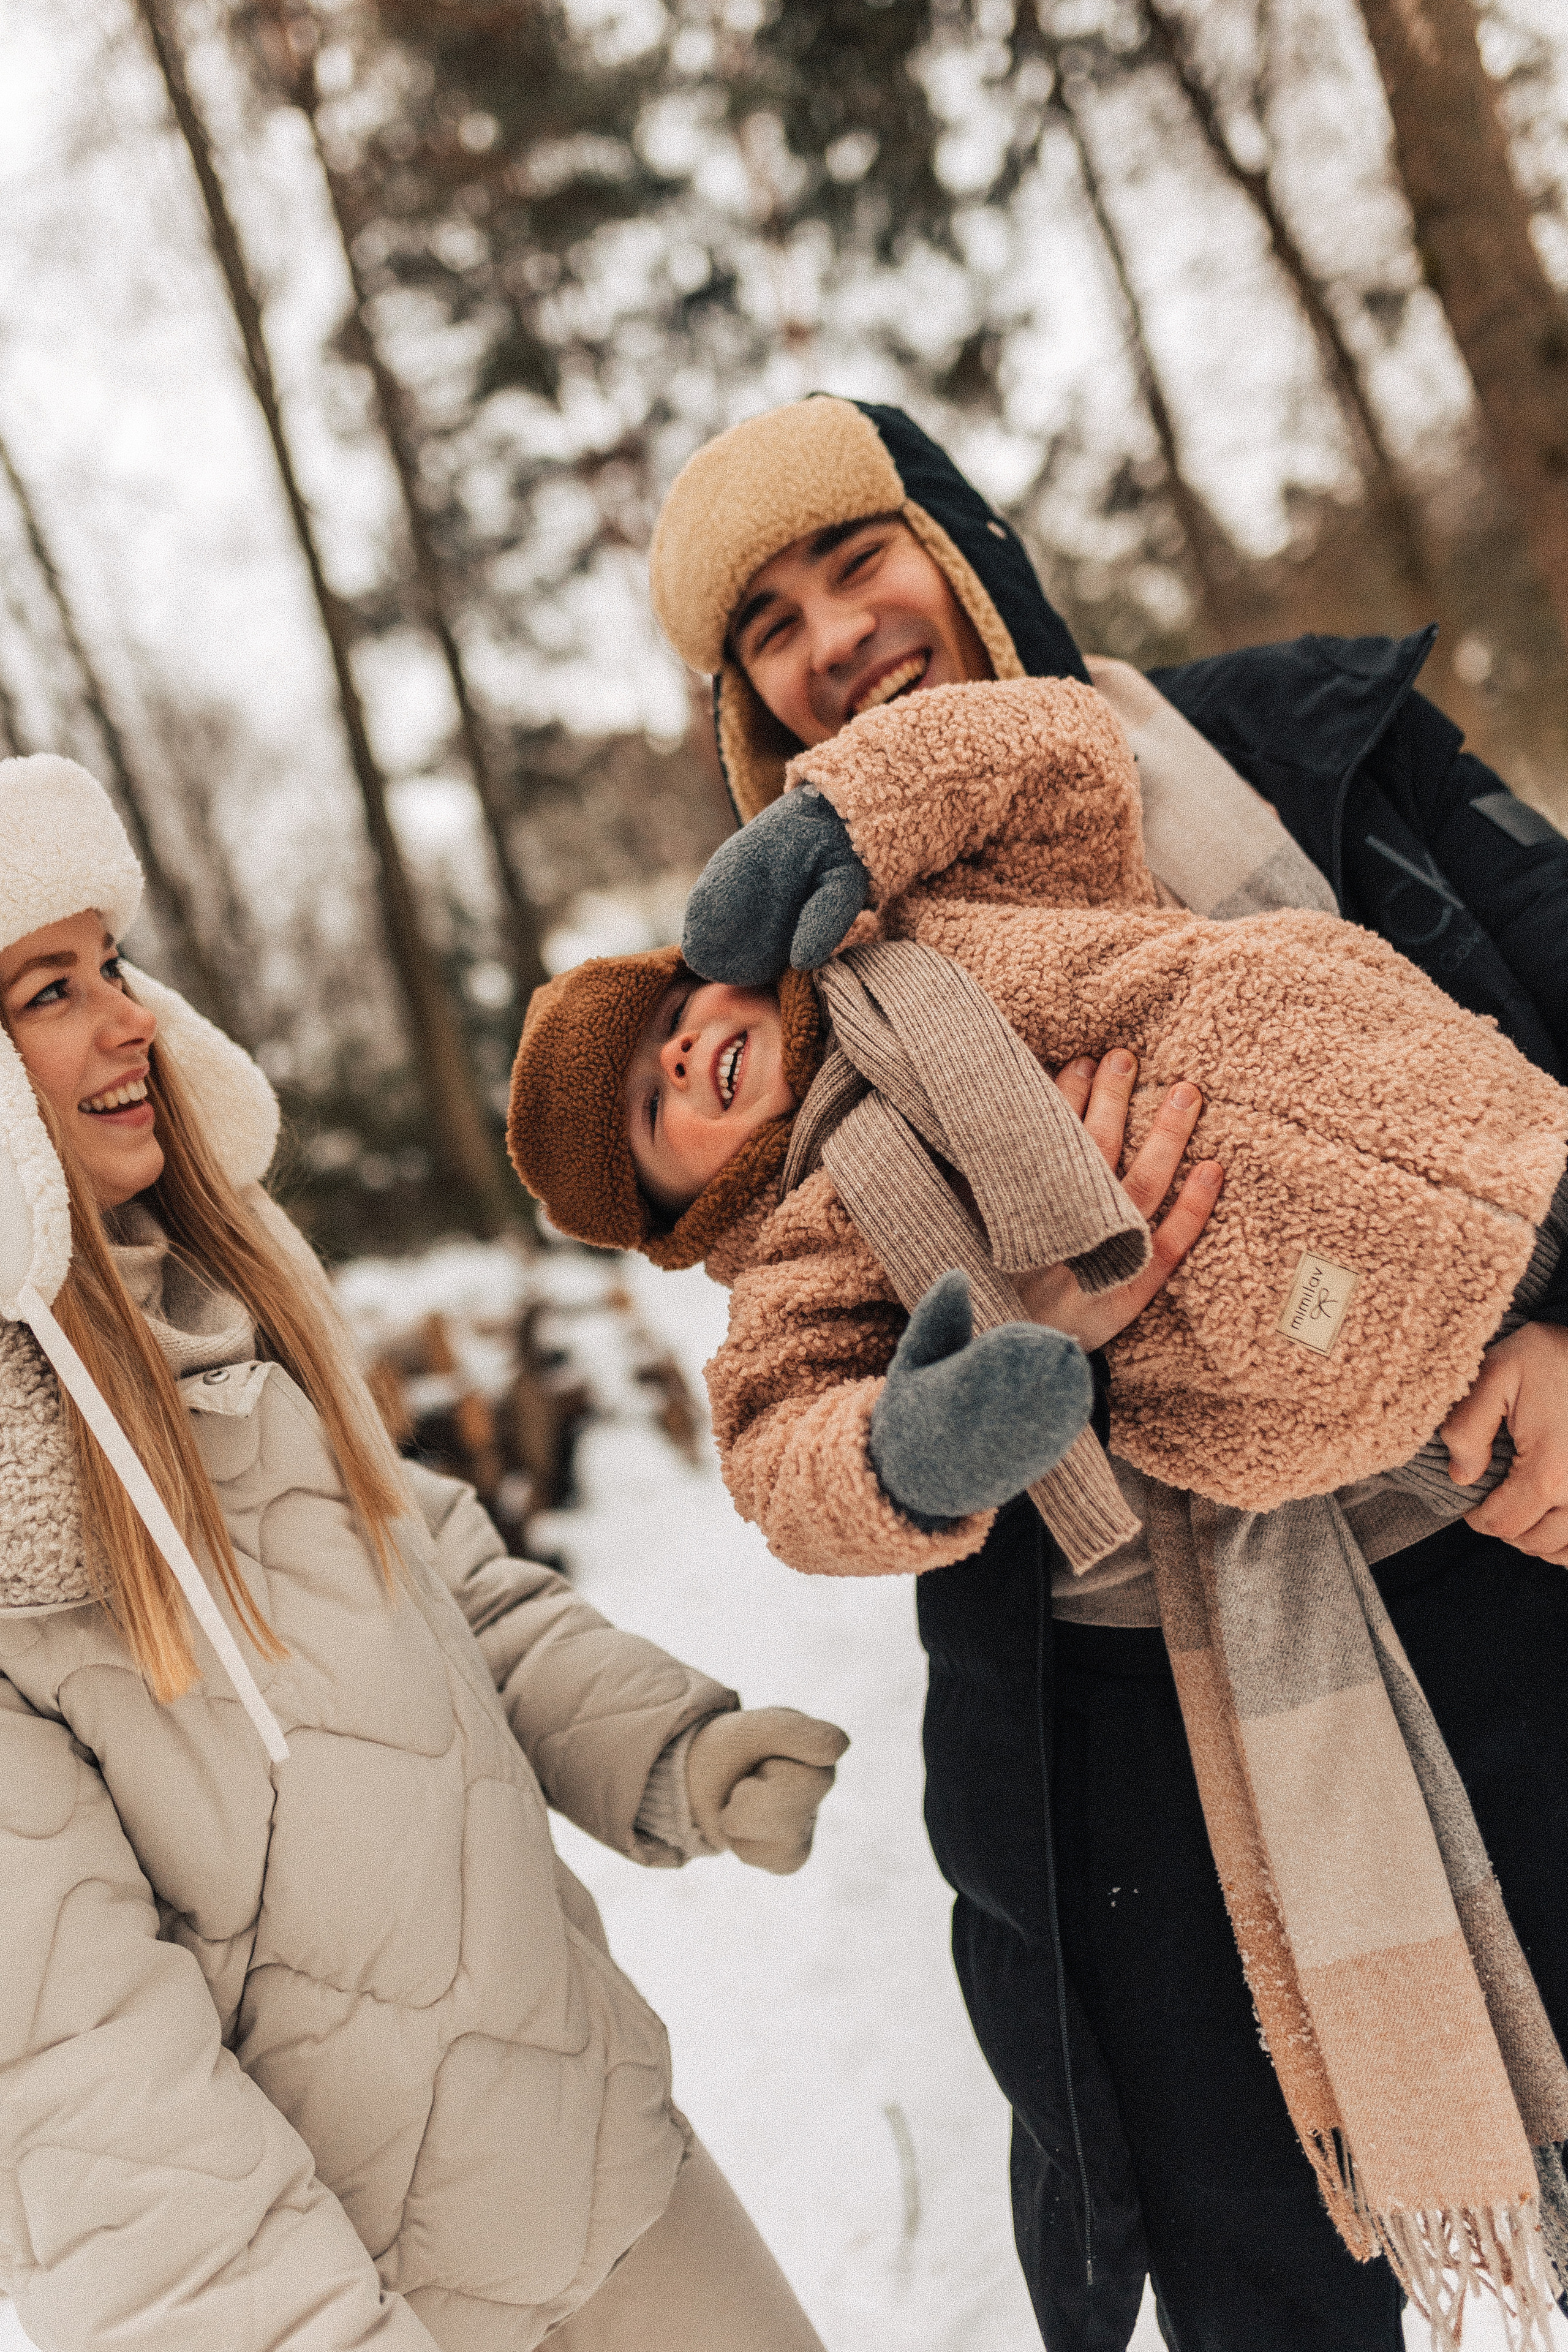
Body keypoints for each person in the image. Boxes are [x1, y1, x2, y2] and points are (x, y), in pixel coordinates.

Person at [632, 396, 1568, 2352]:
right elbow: (810, 1409)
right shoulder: (816, 1045)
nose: (835, 635)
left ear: (959, 545)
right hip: (1152, 1708)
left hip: (1507, 1534)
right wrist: (988, 1373)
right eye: (768, 628)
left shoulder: (1295, 741)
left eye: (856, 558)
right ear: (753, 726)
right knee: (1272, 2286)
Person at [0, 752, 843, 2352]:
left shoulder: (232, 1316)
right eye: (52, 990)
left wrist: (673, 1745)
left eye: (116, 966)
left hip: (611, 2163)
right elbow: (79, 2084)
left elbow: (446, 1583)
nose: (131, 1020)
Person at [508, 666, 1566, 1567]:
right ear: (679, 1216)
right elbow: (778, 1452)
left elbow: (1054, 751)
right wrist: (911, 1453)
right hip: (1381, 1377)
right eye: (654, 1105)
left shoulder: (932, 909)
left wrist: (839, 821)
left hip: (1470, 1114)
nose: (685, 1052)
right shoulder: (804, 1259)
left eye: (673, 1013)